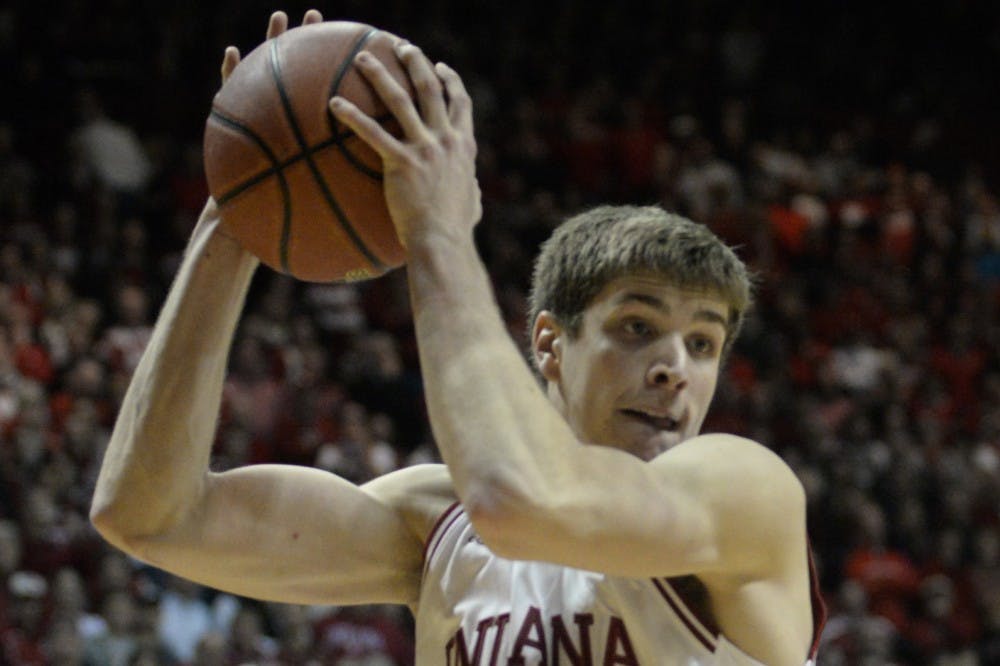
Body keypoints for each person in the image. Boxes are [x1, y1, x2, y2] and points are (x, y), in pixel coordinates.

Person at [90, 9, 825, 665]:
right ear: (548, 344)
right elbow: (150, 517)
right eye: (638, 328)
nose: (674, 368)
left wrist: (437, 231)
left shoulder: (742, 494)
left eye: (702, 344)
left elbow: (519, 502)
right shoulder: (437, 524)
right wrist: (240, 209)